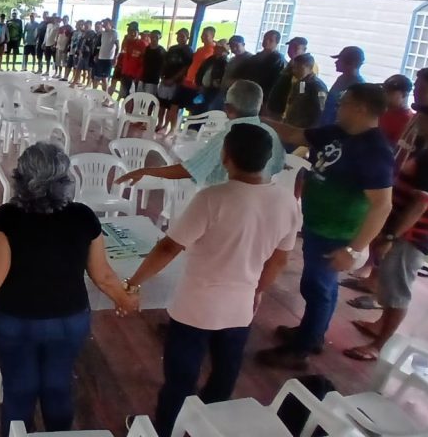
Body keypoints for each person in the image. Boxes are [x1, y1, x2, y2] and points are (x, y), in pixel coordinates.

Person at [126, 124, 299, 435]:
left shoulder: (213, 198)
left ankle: (167, 429)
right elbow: (280, 258)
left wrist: (135, 282)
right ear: (268, 157)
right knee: (224, 374)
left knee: (181, 377)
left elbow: (169, 246)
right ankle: (206, 427)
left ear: (225, 156)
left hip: (195, 307)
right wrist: (258, 291)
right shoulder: (287, 201)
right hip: (240, 309)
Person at [0, 143, 135, 436]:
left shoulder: (7, 219)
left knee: (19, 390)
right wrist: (125, 299)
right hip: (68, 320)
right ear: (65, 180)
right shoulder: (83, 216)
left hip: (16, 322)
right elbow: (103, 276)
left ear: (21, 179)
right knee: (58, 387)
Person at [258, 83, 393, 370]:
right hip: (318, 225)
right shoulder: (337, 132)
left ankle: (301, 350)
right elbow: (295, 133)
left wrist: (352, 249)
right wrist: (256, 118)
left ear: (360, 108)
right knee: (323, 288)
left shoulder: (375, 150)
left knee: (317, 287)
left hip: (338, 232)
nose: (338, 107)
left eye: (344, 103)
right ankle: (313, 333)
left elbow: (382, 205)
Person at [343, 100, 428, 362]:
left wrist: (392, 235)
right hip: (402, 229)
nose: (420, 120)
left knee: (398, 290)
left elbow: (419, 206)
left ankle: (379, 346)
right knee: (390, 283)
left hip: (412, 235)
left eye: (427, 118)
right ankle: (380, 324)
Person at [118, 80, 285, 190]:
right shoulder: (272, 134)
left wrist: (146, 171)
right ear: (260, 107)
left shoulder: (229, 137)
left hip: (223, 204)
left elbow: (190, 169)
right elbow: (278, 166)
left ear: (227, 108)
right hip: (257, 210)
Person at [320, 46, 366, 126]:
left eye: (340, 60)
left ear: (350, 63)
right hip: (325, 124)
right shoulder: (341, 78)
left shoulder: (359, 86)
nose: (336, 62)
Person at [265, 36, 310, 119]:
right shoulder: (291, 63)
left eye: (296, 48)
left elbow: (302, 89)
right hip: (275, 108)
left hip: (285, 112)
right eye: (290, 47)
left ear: (304, 49)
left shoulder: (307, 66)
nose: (291, 50)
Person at [158, 28, 193, 132]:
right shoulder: (172, 48)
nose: (180, 38)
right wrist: (162, 76)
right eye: (178, 35)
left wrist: (173, 79)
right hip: (166, 78)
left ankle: (167, 125)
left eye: (182, 36)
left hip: (177, 81)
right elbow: (165, 62)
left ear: (187, 38)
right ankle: (160, 123)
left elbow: (185, 68)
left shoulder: (188, 51)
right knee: (162, 104)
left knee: (171, 107)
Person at [282, 53, 328, 130]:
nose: (295, 71)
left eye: (299, 68)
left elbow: (321, 109)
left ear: (309, 68)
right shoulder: (302, 82)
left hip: (305, 129)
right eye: (294, 67)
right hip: (292, 125)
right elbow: (299, 99)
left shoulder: (318, 86)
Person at [192, 41, 229, 114]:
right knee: (196, 110)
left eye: (218, 48)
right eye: (216, 47)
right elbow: (201, 71)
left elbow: (223, 78)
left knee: (208, 110)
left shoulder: (225, 62)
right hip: (202, 88)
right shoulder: (210, 59)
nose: (215, 49)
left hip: (213, 91)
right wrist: (198, 83)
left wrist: (216, 84)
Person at [247, 30, 286, 98]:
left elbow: (274, 81)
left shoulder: (278, 59)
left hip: (264, 96)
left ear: (277, 42)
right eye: (265, 38)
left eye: (270, 40)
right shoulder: (256, 57)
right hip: (250, 92)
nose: (266, 41)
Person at [378, 74, 414, 148]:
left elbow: (396, 149)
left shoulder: (407, 120)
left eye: (389, 92)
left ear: (404, 94)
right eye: (384, 91)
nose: (385, 94)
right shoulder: (381, 110)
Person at [218, 35, 252, 101]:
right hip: (224, 92)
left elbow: (248, 79)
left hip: (236, 96)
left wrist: (233, 82)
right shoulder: (232, 59)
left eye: (236, 45)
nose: (234, 48)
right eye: (231, 46)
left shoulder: (250, 59)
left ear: (243, 44)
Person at [93, 19, 118, 93]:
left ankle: (105, 96)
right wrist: (97, 55)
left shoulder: (114, 33)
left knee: (104, 78)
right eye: (103, 23)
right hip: (101, 57)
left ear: (110, 24)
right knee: (96, 77)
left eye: (106, 23)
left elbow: (117, 45)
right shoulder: (103, 33)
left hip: (108, 59)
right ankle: (93, 93)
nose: (104, 25)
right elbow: (101, 45)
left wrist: (115, 57)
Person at [139, 30, 165, 96]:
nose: (153, 38)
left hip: (153, 79)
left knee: (149, 98)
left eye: (156, 37)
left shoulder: (161, 50)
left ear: (159, 38)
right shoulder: (146, 49)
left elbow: (164, 65)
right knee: (139, 97)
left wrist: (162, 76)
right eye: (152, 36)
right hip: (143, 77)